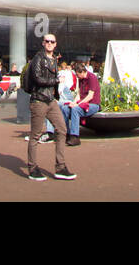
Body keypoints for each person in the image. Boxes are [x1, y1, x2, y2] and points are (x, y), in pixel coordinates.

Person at [24, 34, 76, 181]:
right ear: (43, 43)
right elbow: (37, 78)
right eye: (47, 41)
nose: (49, 43)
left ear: (55, 44)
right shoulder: (38, 58)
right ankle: (32, 168)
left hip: (51, 100)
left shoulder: (54, 59)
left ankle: (60, 167)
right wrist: (56, 80)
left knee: (62, 129)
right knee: (35, 135)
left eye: (52, 41)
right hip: (39, 100)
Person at [62, 58, 101, 145]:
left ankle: (75, 137)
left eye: (78, 74)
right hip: (82, 103)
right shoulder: (81, 79)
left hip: (93, 105)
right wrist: (74, 102)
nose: (77, 76)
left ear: (82, 72)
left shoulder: (92, 78)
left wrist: (78, 104)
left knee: (75, 110)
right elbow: (79, 94)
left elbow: (90, 96)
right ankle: (67, 134)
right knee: (65, 108)